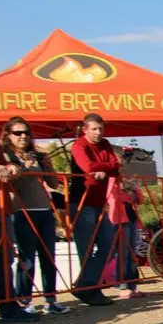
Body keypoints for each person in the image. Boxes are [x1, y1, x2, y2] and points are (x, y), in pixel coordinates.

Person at [0, 117, 69, 314]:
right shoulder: (6, 156)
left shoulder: (36, 155)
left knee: (48, 257)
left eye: (26, 133)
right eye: (18, 133)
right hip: (22, 212)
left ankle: (51, 299)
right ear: (8, 135)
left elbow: (54, 184)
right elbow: (15, 185)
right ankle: (24, 301)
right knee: (26, 259)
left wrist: (47, 166)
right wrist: (26, 167)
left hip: (44, 211)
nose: (23, 137)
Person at [69, 113, 122, 306]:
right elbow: (87, 166)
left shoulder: (105, 143)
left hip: (99, 203)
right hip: (82, 203)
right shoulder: (79, 145)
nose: (98, 132)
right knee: (86, 249)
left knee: (109, 244)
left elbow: (116, 166)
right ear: (85, 130)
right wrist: (107, 166)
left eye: (100, 129)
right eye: (94, 129)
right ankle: (89, 288)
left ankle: (85, 285)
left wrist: (105, 167)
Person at [0, 138, 40, 324]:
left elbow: (2, 165)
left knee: (2, 263)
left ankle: (9, 308)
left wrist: (12, 166)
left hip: (0, 209)